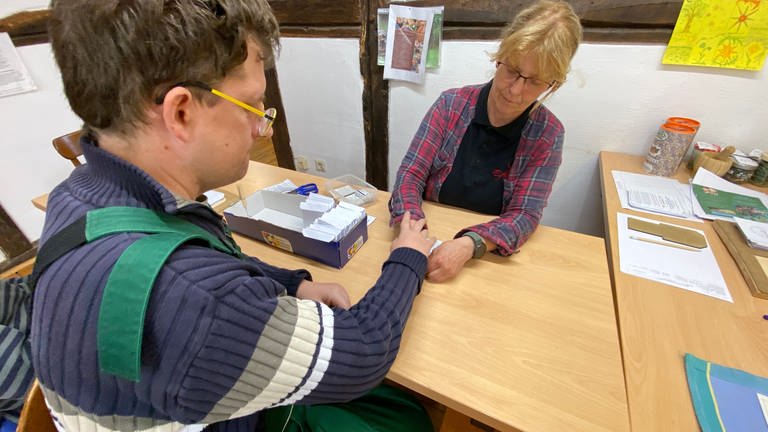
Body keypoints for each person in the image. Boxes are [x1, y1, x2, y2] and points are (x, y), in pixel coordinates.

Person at [33, 1, 435, 431]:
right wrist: (409, 256)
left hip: (165, 400)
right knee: (407, 417)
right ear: (181, 112)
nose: (264, 128)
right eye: (253, 105)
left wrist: (292, 285)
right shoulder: (200, 301)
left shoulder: (78, 195)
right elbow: (364, 352)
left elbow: (204, 253)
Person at [389, 0, 583, 282]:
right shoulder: (451, 105)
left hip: (485, 259)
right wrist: (411, 229)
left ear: (553, 83)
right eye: (512, 70)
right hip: (428, 233)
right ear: (499, 56)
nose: (515, 90)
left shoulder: (548, 134)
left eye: (534, 81)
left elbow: (525, 214)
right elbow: (411, 175)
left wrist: (469, 245)